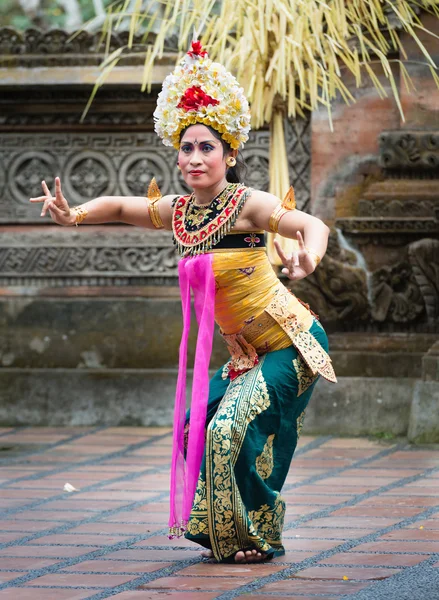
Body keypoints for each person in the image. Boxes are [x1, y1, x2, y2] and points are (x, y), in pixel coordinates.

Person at [30, 40, 336, 564]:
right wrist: (72, 214)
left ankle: (261, 533)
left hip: (292, 343)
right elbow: (123, 205)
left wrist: (308, 255)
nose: (195, 157)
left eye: (207, 148)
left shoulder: (246, 205)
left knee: (225, 428)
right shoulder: (176, 211)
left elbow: (312, 223)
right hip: (246, 356)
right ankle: (234, 531)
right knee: (196, 428)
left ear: (229, 154)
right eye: (187, 148)